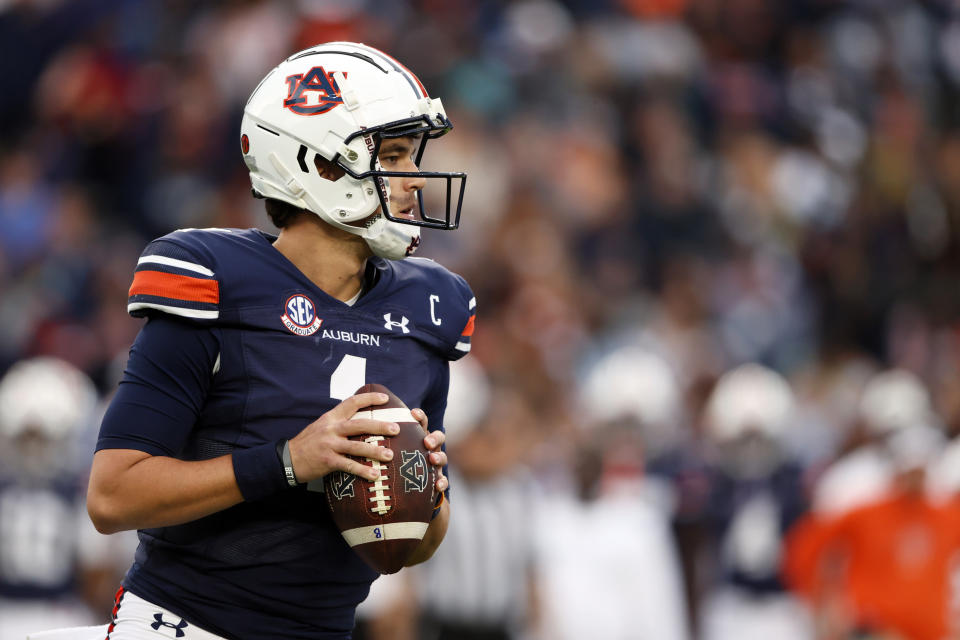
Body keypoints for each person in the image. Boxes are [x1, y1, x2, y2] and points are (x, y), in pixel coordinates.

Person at [77, 41, 475, 640]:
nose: (414, 179)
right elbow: (112, 496)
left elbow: (411, 547)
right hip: (183, 625)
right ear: (321, 164)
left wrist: (423, 494)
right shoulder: (217, 278)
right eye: (392, 156)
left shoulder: (430, 306)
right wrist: (287, 463)